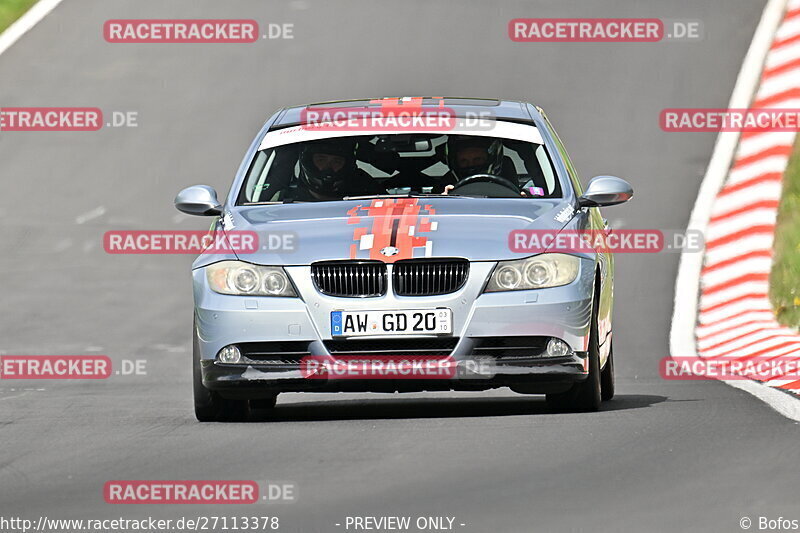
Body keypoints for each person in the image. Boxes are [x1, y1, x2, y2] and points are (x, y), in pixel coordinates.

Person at [293, 139, 386, 201]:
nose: (328, 167)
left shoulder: (367, 192)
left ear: (346, 165)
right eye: (321, 160)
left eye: (336, 161)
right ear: (309, 162)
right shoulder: (285, 199)